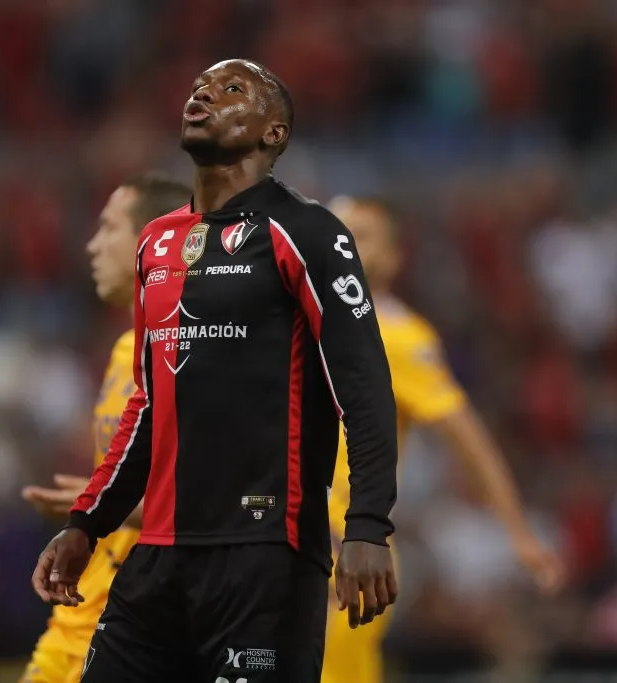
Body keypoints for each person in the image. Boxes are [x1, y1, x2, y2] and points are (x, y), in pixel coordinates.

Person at [32, 59, 399, 683]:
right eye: (200, 86)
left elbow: (362, 385)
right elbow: (148, 404)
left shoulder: (306, 231)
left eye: (232, 90)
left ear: (273, 133)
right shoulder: (157, 242)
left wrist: (368, 526)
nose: (204, 94)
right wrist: (87, 523)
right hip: (157, 559)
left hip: (265, 556)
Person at [320, 195, 566, 683]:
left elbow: (467, 437)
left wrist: (517, 530)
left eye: (361, 235)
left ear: (394, 258)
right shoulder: (298, 324)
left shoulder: (397, 335)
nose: (344, 244)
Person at [19, 173, 192, 683]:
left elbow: (221, 502)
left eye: (109, 228)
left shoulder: (197, 352)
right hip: (81, 614)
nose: (93, 245)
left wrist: (104, 509)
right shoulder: (125, 352)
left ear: (152, 242)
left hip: (149, 624)